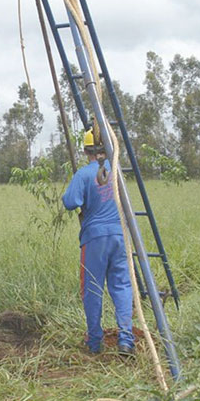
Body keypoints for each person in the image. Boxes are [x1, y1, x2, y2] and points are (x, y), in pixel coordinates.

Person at [61, 129, 135, 356]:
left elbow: (70, 202)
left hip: (95, 239)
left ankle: (94, 342)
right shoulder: (116, 173)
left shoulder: (84, 175)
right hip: (120, 236)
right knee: (122, 285)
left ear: (85, 150)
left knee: (92, 289)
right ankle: (126, 340)